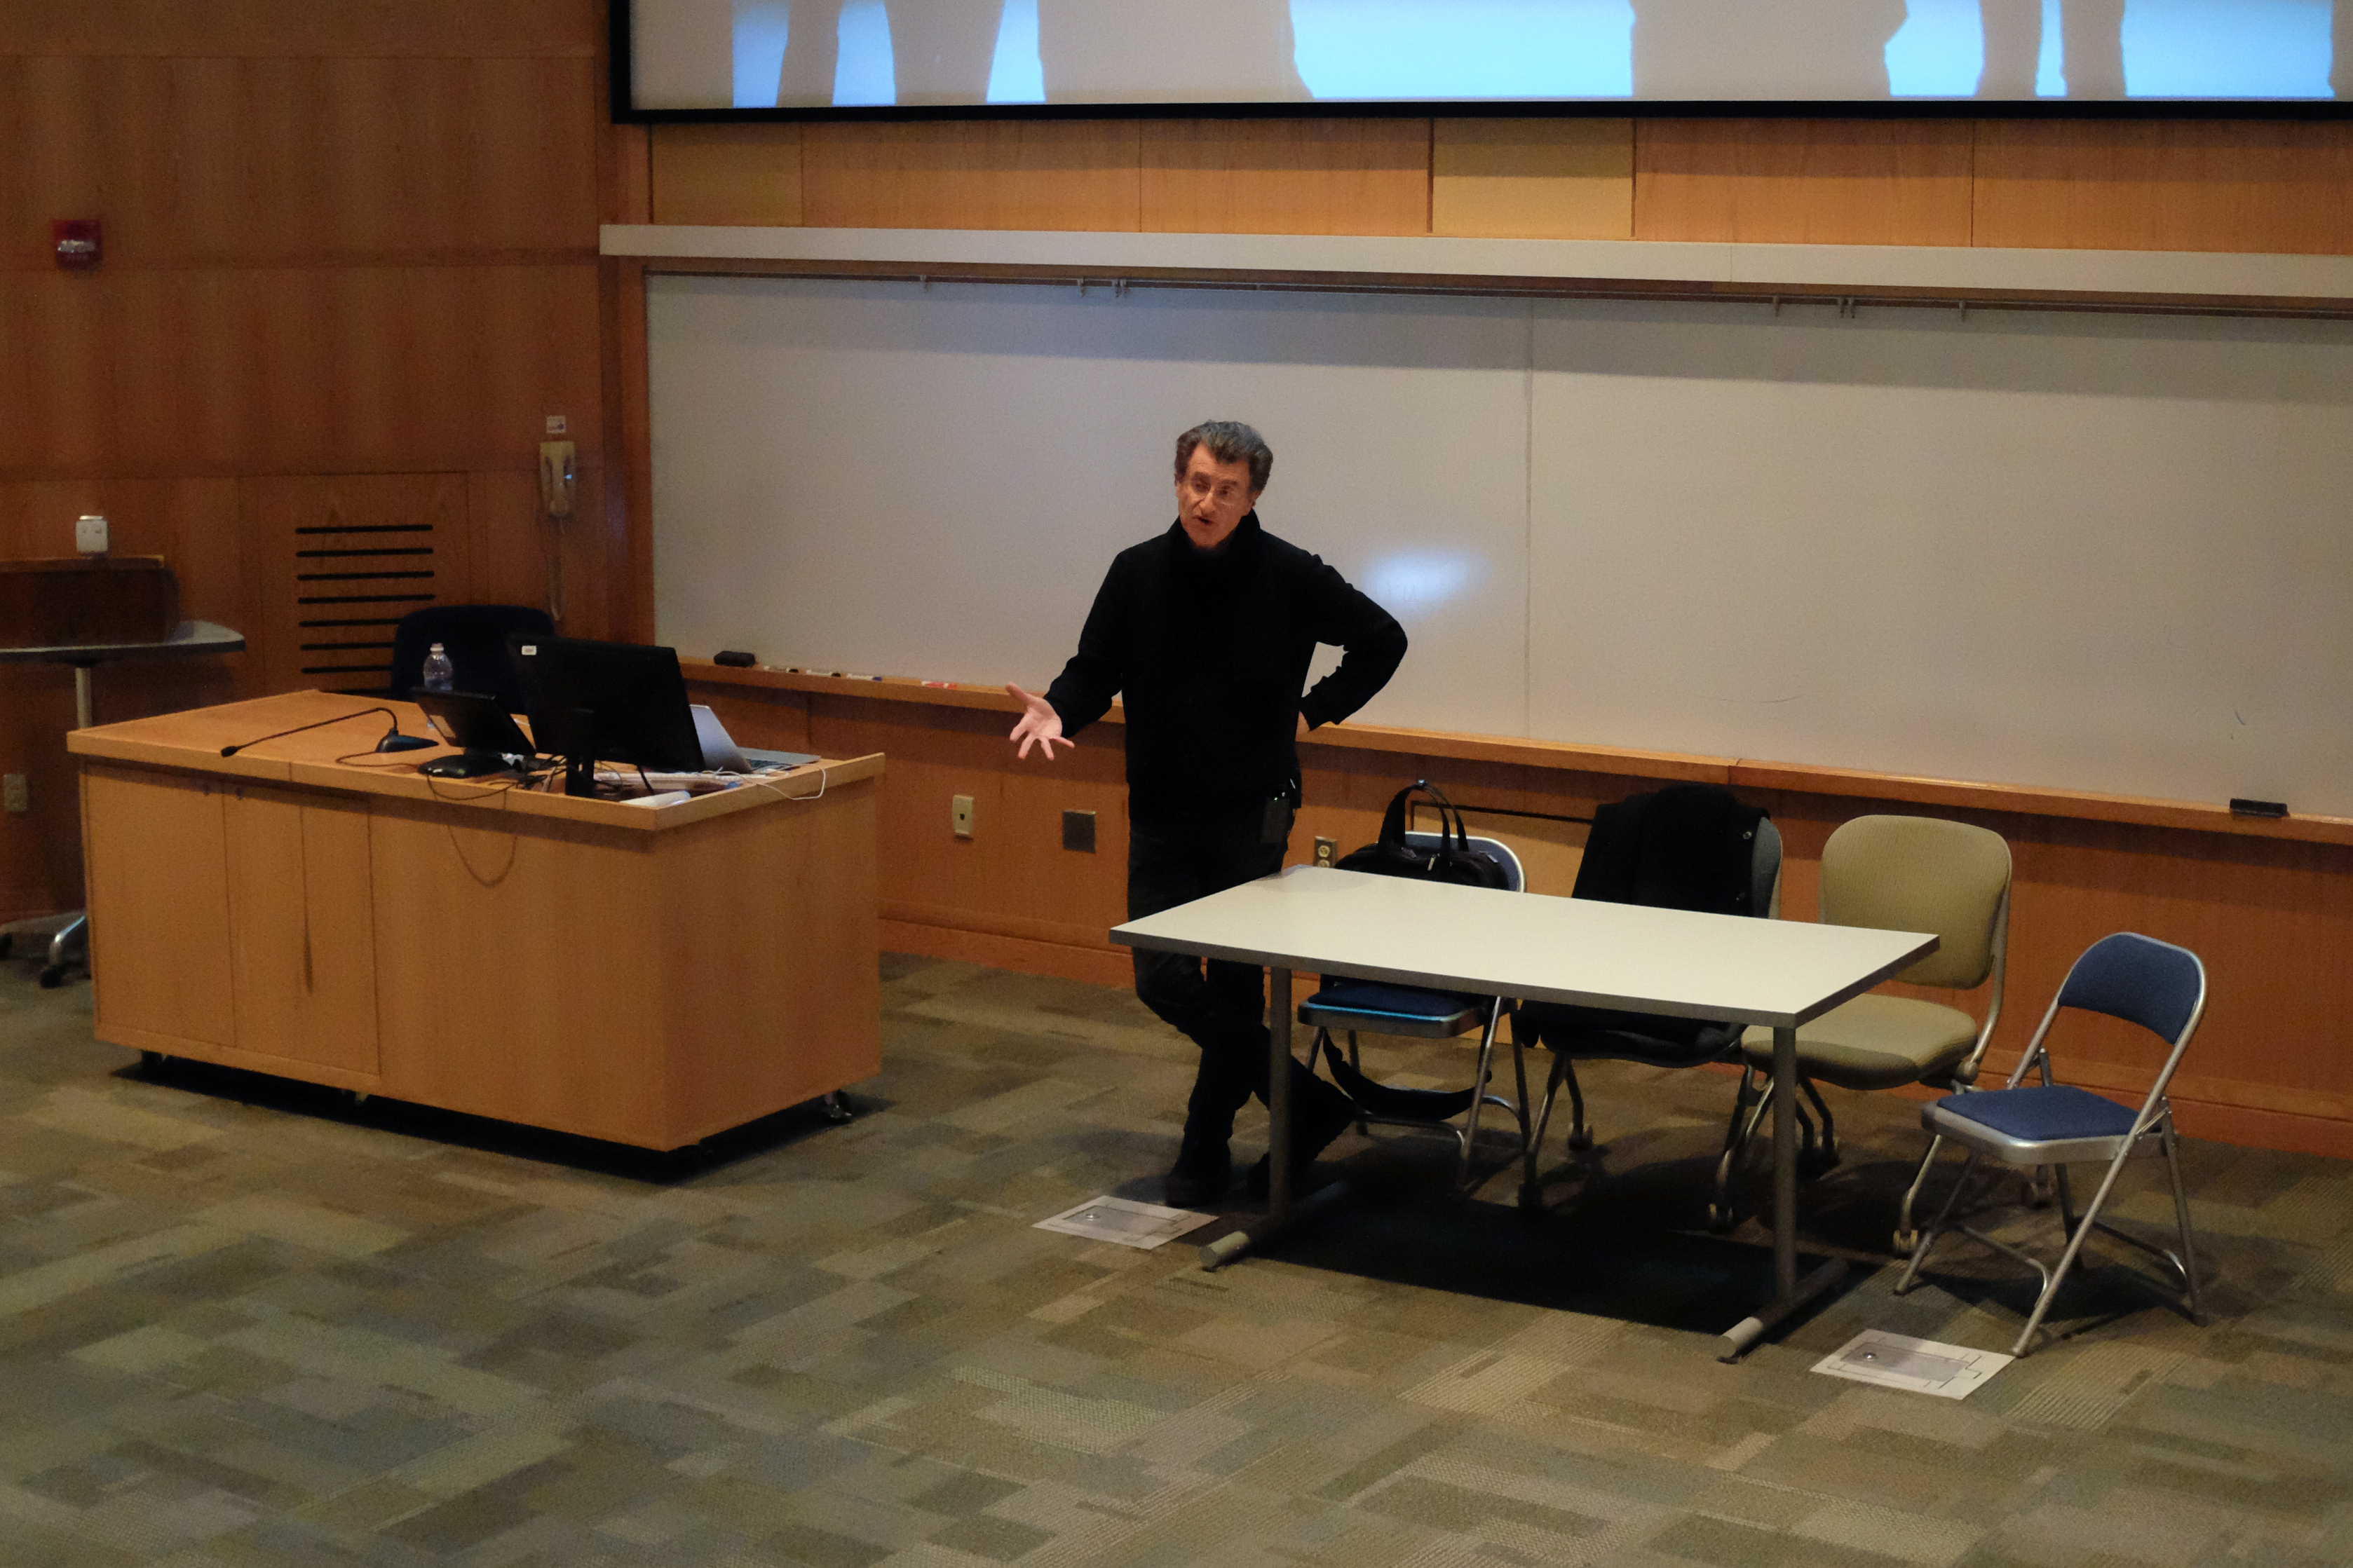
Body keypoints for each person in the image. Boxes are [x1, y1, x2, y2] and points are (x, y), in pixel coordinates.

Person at [1007, 421, 1406, 1206]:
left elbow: (1381, 639)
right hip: (1161, 808)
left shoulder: (1289, 575)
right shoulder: (1136, 572)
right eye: (1195, 481)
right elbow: (1095, 669)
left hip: (1249, 813)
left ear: (1251, 495)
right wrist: (1059, 711)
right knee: (1161, 977)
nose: (1205, 499)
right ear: (1177, 481)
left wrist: (1312, 712)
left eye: (1225, 488)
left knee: (1231, 988)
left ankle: (1203, 1147)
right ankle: (1307, 1101)